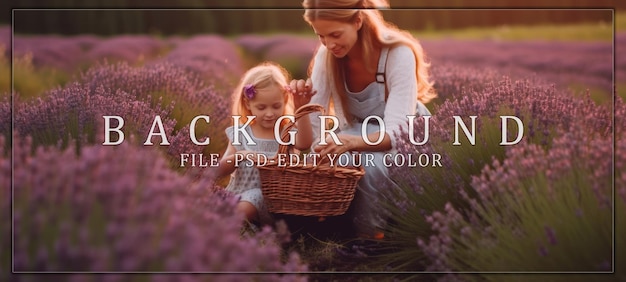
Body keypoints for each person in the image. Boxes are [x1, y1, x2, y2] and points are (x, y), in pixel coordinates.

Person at [288, 0, 437, 238]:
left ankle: (370, 238)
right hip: (355, 131)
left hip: (405, 136)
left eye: (335, 34)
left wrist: (351, 143)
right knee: (328, 160)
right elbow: (311, 138)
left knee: (370, 167)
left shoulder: (397, 54)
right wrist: (301, 108)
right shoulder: (327, 57)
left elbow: (397, 132)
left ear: (357, 20)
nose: (329, 44)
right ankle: (331, 230)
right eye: (321, 36)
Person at [217, 61, 314, 226]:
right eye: (261, 107)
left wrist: (301, 108)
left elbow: (304, 143)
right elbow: (222, 169)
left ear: (285, 100)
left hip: (272, 201)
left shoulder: (285, 130)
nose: (269, 114)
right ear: (248, 104)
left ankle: (236, 227)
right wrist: (239, 156)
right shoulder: (241, 132)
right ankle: (240, 232)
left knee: (249, 204)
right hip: (238, 194)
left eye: (276, 106)